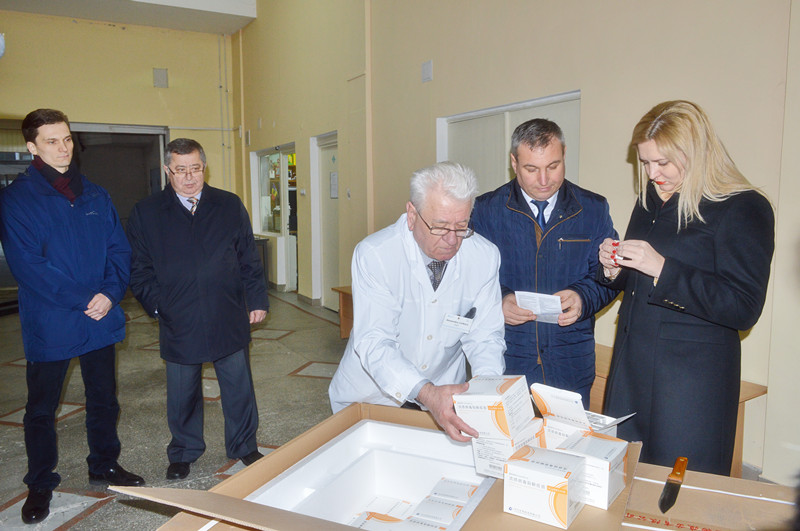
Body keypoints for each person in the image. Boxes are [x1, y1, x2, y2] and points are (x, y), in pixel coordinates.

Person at [597, 100, 774, 475]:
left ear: (695, 152)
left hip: (690, 389)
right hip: (631, 373)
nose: (652, 174)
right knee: (623, 483)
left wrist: (663, 269)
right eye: (645, 162)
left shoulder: (743, 207)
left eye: (662, 162)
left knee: (678, 493)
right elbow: (638, 278)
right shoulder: (650, 200)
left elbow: (743, 306)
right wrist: (613, 269)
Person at [0, 109, 144, 525]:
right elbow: (29, 266)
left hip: (100, 317)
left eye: (66, 139)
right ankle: (40, 483)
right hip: (53, 321)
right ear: (32, 147)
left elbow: (119, 250)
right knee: (41, 409)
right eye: (51, 141)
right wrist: (86, 298)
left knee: (104, 398)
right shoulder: (16, 199)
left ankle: (105, 464)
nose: (63, 148)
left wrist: (111, 293)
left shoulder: (95, 194)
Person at [328, 162, 506, 442]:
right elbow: (375, 341)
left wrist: (483, 390)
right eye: (440, 227)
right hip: (373, 395)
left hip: (445, 394)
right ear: (412, 215)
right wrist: (427, 393)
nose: (452, 240)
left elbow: (485, 336)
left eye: (462, 227)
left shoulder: (484, 256)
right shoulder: (376, 254)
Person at [127, 138, 268, 480]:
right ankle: (184, 451)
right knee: (182, 392)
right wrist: (158, 307)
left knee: (238, 386)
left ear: (204, 167)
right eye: (181, 170)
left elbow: (248, 258)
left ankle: (244, 445)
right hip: (178, 316)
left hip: (227, 311)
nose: (189, 177)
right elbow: (139, 268)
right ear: (167, 170)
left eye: (195, 168)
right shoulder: (147, 212)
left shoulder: (228, 205)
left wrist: (256, 300)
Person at [471, 118, 618, 408]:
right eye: (531, 169)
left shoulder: (593, 208)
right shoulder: (486, 210)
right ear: (514, 163)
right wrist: (499, 301)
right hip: (508, 360)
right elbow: (470, 278)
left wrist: (582, 297)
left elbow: (609, 277)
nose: (543, 180)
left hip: (570, 363)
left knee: (568, 438)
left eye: (553, 166)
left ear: (564, 155)